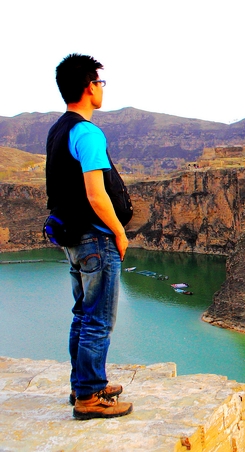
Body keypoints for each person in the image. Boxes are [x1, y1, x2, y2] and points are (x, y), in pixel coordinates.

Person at [45, 54, 133, 420]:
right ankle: (89, 397)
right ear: (88, 87)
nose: (101, 88)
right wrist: (119, 232)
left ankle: (83, 382)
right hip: (96, 240)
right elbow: (96, 194)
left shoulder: (58, 130)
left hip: (72, 240)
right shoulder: (87, 132)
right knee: (98, 318)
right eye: (99, 82)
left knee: (82, 314)